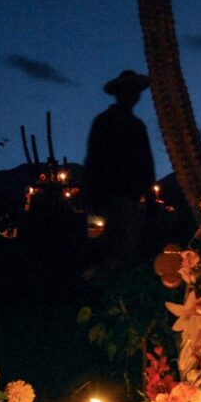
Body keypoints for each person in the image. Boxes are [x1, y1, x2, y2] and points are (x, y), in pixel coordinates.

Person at [83, 70, 156, 269]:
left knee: (121, 251)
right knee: (105, 250)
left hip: (121, 199)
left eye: (134, 90)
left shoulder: (132, 125)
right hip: (109, 199)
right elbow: (93, 161)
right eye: (129, 90)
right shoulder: (108, 122)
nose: (133, 95)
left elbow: (146, 166)